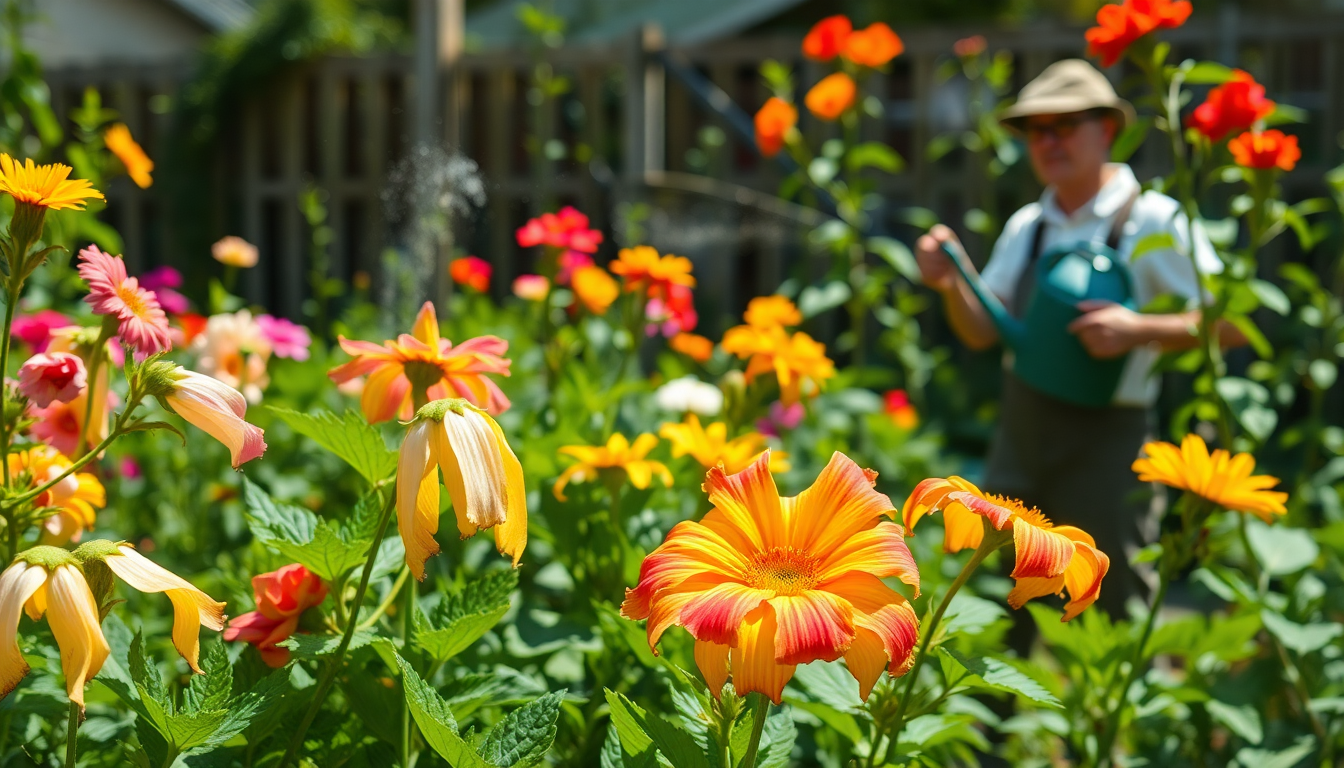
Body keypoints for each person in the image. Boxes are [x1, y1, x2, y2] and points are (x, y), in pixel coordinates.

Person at [915, 59, 1239, 616]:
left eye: (1065, 125)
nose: (1049, 141)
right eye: (1037, 130)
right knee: (1000, 593)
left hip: (1110, 438)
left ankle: (1118, 703)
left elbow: (1230, 322)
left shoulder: (1156, 220)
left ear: (1108, 129)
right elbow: (981, 333)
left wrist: (1138, 330)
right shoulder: (1027, 226)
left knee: (1114, 594)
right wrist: (950, 284)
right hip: (1023, 427)